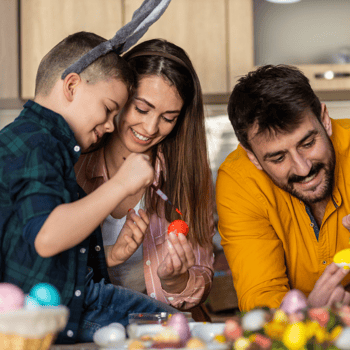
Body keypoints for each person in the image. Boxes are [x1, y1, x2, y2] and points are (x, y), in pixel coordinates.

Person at [0, 31, 179, 345]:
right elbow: (47, 237)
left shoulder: (37, 141)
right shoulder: (36, 143)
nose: (111, 124)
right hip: (70, 310)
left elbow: (38, 250)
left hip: (63, 307)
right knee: (178, 330)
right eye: (109, 108)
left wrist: (111, 254)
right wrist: (122, 183)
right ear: (71, 86)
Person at [75, 39, 215, 318]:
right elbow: (49, 268)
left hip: (163, 332)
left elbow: (201, 279)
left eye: (169, 117)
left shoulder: (187, 177)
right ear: (119, 96)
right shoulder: (75, 167)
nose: (151, 128)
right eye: (141, 109)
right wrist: (109, 254)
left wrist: (178, 282)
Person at [216, 64, 350, 312]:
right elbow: (260, 295)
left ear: (324, 120)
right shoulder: (239, 181)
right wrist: (305, 314)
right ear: (253, 156)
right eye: (278, 158)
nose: (302, 168)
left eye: (308, 143)